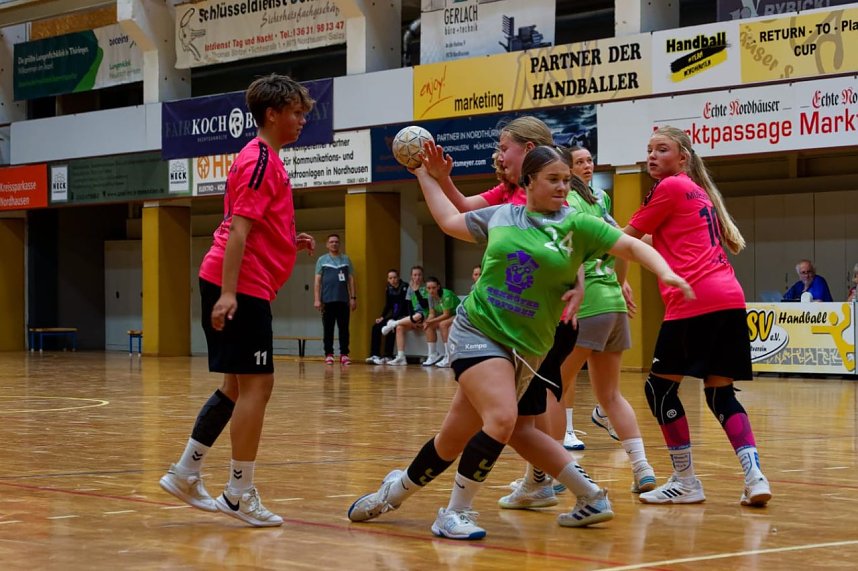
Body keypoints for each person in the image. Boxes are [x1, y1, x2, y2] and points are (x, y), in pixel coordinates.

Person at [347, 145, 694, 540]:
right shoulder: (501, 216)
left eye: (567, 180)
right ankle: (454, 513)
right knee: (503, 419)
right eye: (554, 180)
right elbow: (447, 219)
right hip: (477, 330)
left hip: (528, 349)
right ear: (527, 182)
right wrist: (425, 175)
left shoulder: (577, 225)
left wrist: (665, 272)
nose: (564, 187)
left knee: (456, 438)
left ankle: (394, 492)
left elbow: (631, 245)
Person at [159, 74, 315, 527]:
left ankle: (186, 471)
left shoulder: (264, 158)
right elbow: (238, 230)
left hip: (245, 282)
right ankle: (239, 493)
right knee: (258, 388)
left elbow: (255, 223)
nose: (302, 119)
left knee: (235, 386)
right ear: (273, 113)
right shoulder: (260, 160)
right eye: (297, 112)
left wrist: (288, 240)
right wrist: (228, 293)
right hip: (241, 286)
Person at [500, 150, 656, 511]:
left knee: (552, 390)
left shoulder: (564, 204)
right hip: (613, 303)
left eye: (587, 162)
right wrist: (622, 283)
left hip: (587, 306)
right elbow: (623, 244)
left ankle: (548, 476)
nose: (585, 167)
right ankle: (642, 468)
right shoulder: (597, 199)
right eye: (580, 162)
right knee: (611, 395)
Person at [624, 126, 771, 507]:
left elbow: (625, 241)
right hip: (729, 298)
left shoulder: (669, 187)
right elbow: (659, 241)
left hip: (695, 299)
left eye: (663, 149)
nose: (653, 155)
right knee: (721, 393)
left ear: (683, 158)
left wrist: (593, 240)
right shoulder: (697, 192)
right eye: (649, 149)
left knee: (658, 389)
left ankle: (685, 479)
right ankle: (755, 476)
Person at [314, 233, 357, 365]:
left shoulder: (346, 259)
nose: (334, 244)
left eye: (336, 242)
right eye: (331, 242)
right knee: (328, 329)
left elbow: (351, 280)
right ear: (327, 245)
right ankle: (329, 354)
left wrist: (353, 297)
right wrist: (317, 299)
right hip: (327, 300)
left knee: (344, 328)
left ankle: (344, 354)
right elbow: (317, 281)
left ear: (339, 244)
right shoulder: (322, 260)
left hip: (343, 300)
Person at [382, 265, 429, 365]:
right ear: (411, 276)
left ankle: (392, 324)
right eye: (415, 275)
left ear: (422, 276)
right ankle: (401, 357)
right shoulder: (409, 288)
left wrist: (417, 291)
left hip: (424, 315)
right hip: (414, 317)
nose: (417, 277)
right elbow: (409, 306)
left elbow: (425, 305)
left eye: (419, 275)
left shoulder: (426, 288)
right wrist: (412, 320)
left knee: (418, 316)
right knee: (400, 327)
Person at [365, 269, 410, 365]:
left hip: (403, 315)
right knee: (376, 327)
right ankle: (375, 354)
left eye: (395, 277)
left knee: (391, 327)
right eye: (390, 278)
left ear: (398, 277)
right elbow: (388, 304)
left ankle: (388, 355)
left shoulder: (405, 287)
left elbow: (405, 304)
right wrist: (382, 316)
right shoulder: (388, 288)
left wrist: (395, 318)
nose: (393, 280)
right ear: (388, 279)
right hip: (393, 315)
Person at [422, 276, 461, 368]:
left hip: (459, 314)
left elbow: (446, 314)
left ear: (438, 287)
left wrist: (430, 321)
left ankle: (449, 356)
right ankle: (433, 355)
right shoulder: (430, 297)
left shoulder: (446, 295)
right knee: (429, 326)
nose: (431, 291)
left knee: (443, 324)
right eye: (429, 288)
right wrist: (427, 321)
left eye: (433, 288)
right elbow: (432, 313)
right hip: (448, 315)